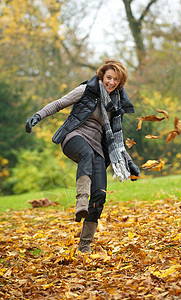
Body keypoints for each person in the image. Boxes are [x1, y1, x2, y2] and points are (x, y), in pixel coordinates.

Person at [25, 59, 140, 253]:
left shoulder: (115, 106)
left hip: (97, 149)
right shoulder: (87, 90)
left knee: (100, 196)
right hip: (74, 137)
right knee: (86, 153)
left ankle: (85, 245)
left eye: (116, 80)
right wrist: (38, 115)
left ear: (120, 83)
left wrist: (129, 163)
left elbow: (115, 140)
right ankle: (81, 202)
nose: (111, 82)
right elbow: (60, 103)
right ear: (102, 76)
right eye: (108, 77)